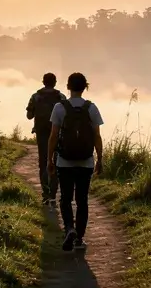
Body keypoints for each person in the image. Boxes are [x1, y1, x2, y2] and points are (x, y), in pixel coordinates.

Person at [47, 72, 104, 251]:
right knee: (82, 200)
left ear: (68, 87)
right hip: (86, 162)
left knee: (65, 199)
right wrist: (99, 159)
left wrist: (49, 159)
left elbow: (53, 136)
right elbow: (97, 136)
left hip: (64, 162)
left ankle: (69, 229)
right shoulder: (91, 108)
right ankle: (79, 238)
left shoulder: (59, 107)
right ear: (85, 86)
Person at [26, 72, 65, 203]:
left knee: (43, 162)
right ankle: (54, 192)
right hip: (57, 133)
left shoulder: (35, 96)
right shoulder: (61, 97)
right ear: (55, 82)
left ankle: (45, 192)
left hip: (41, 133)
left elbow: (29, 115)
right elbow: (67, 116)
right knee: (56, 161)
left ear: (43, 82)